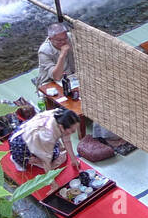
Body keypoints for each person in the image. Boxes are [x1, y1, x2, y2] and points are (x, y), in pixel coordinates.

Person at [34, 21, 134, 155]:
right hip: (52, 82)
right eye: (59, 40)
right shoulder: (45, 51)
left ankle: (115, 128)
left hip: (75, 77)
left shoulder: (71, 37)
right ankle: (107, 135)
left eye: (65, 38)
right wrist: (63, 54)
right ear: (50, 38)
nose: (64, 41)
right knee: (85, 102)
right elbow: (56, 76)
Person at [9, 105, 82, 174]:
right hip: (20, 146)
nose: (74, 132)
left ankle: (33, 158)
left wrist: (73, 159)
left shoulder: (60, 115)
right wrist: (52, 183)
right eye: (72, 131)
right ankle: (20, 160)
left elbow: (66, 140)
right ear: (61, 127)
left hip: (27, 133)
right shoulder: (47, 136)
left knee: (60, 148)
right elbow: (46, 162)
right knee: (60, 158)